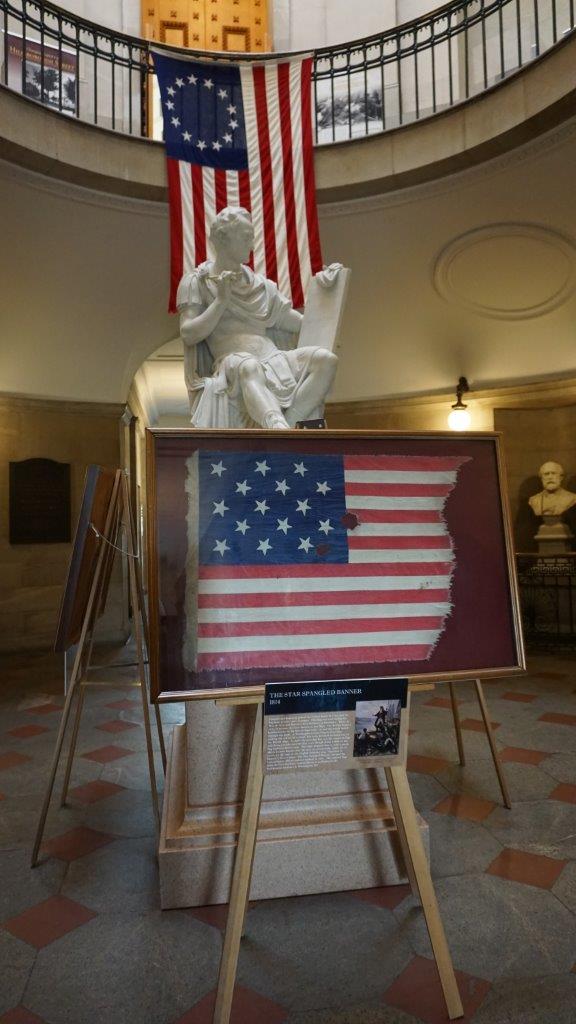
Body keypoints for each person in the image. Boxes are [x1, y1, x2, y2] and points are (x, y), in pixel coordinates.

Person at [177, 206, 338, 429]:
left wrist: (327, 290)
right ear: (224, 238)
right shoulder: (198, 282)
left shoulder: (260, 285)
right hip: (233, 363)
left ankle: (287, 427)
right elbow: (189, 334)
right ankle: (275, 424)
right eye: (246, 238)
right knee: (249, 367)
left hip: (274, 359)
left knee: (326, 360)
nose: (252, 245)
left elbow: (298, 322)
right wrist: (221, 302)